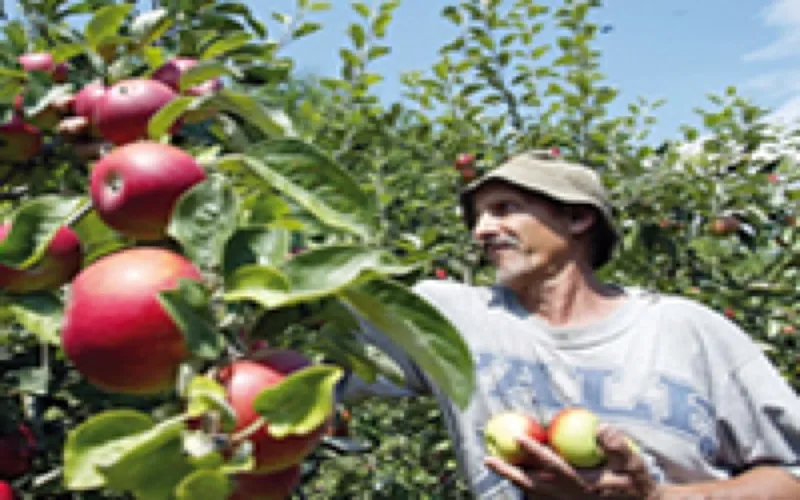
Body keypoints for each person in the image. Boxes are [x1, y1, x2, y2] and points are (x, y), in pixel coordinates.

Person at [340, 150, 800, 499]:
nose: (481, 229)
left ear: (578, 217)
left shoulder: (686, 330)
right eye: (478, 216)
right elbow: (311, 354)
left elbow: (791, 477)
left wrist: (659, 498)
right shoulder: (449, 317)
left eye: (504, 208)